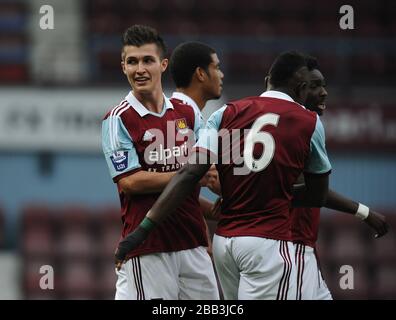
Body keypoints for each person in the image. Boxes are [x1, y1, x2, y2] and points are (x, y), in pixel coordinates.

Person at [115, 51, 333, 300]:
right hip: (266, 241)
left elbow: (202, 174)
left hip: (225, 243)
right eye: (217, 67)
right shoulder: (309, 122)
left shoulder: (226, 114)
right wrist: (274, 191)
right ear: (301, 87)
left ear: (267, 82)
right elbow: (318, 194)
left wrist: (143, 229)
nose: (222, 73)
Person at [101, 25, 219, 300]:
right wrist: (189, 174)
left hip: (193, 244)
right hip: (150, 248)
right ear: (123, 67)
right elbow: (130, 182)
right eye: (132, 61)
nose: (139, 69)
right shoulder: (118, 119)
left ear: (163, 64)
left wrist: (222, 200)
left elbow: (208, 170)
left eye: (147, 60)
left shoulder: (187, 110)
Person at [285, 56, 389, 300]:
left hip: (303, 247)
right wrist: (364, 212)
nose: (324, 93)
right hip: (293, 246)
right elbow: (313, 192)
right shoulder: (294, 131)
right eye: (314, 86)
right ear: (298, 90)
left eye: (324, 85)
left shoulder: (299, 126)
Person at [169, 41, 224, 256]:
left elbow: (180, 188)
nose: (221, 75)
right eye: (217, 68)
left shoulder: (187, 114)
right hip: (176, 244)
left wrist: (212, 213)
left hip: (184, 240)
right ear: (201, 74)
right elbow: (183, 179)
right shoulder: (181, 116)